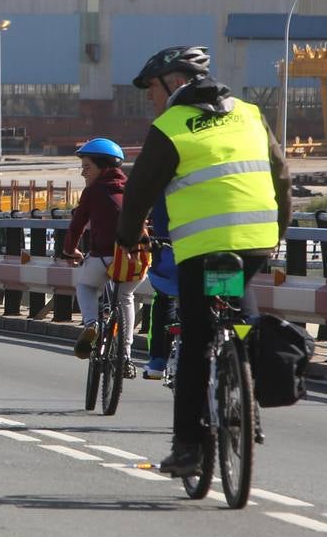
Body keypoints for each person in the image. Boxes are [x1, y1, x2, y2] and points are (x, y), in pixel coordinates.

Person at [115, 45, 291, 476]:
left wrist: (128, 237)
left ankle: (189, 447)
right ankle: (248, 398)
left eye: (151, 89)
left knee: (197, 339)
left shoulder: (171, 125)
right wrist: (276, 236)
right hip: (254, 242)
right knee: (238, 314)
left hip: (201, 248)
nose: (149, 98)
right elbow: (282, 176)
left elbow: (139, 192)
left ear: (174, 82)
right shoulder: (250, 114)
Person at [58, 138, 138, 378]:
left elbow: (76, 226)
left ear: (103, 167)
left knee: (85, 285)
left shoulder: (92, 192)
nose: (83, 173)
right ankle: (125, 356)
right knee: (125, 297)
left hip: (102, 257)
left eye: (87, 167)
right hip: (131, 259)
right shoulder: (133, 189)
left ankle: (91, 324)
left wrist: (69, 252)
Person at [142, 196, 180, 380]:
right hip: (239, 247)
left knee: (165, 299)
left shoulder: (166, 171)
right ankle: (245, 359)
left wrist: (134, 236)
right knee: (233, 298)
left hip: (177, 254)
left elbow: (136, 203)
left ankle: (158, 359)